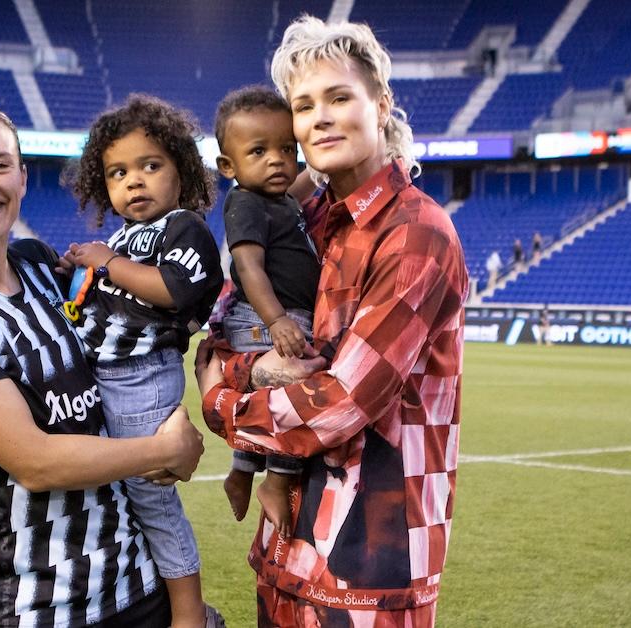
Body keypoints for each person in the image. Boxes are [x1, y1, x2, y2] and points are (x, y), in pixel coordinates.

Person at [197, 16, 468, 627]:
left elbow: (343, 401)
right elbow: (222, 324)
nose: (318, 117)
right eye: (303, 104)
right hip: (288, 545)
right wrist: (243, 363)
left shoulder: (416, 233)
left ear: (382, 104)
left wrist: (220, 398)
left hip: (368, 567)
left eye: (339, 97)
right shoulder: (303, 217)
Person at [0, 102, 204, 627]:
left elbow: (133, 325)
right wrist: (163, 448)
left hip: (140, 585)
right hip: (47, 607)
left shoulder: (40, 264)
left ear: (22, 176)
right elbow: (37, 463)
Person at [64, 94, 224, 628]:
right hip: (102, 377)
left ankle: (188, 615)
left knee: (152, 500)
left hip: (140, 378)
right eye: (118, 172)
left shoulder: (184, 228)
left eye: (150, 166)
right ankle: (140, 593)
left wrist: (107, 263)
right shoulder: (123, 236)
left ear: (182, 172)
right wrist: (84, 270)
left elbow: (172, 289)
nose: (134, 182)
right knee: (115, 494)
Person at [211, 85, 319, 535]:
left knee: (268, 398)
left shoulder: (280, 198)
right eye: (259, 151)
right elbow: (249, 267)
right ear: (228, 166)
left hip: (281, 315)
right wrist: (277, 322)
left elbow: (307, 178)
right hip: (264, 318)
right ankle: (277, 479)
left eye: (286, 149)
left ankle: (240, 468)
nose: (277, 159)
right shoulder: (247, 202)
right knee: (296, 391)